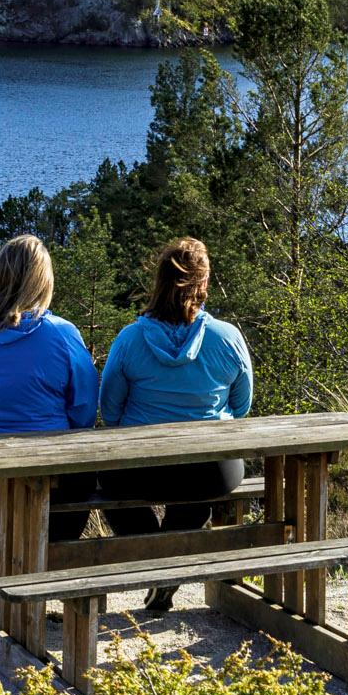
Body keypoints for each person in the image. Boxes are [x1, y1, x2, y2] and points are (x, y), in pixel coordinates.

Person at [98, 237, 255, 612]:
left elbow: (110, 410)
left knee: (106, 482)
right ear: (203, 285)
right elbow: (241, 405)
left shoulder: (130, 340)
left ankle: (155, 560)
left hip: (139, 468)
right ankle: (168, 565)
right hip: (210, 469)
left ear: (159, 282)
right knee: (202, 485)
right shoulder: (228, 338)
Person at [0, 233, 98, 555]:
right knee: (83, 481)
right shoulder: (63, 336)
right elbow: (83, 409)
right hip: (46, 471)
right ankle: (44, 567)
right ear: (43, 283)